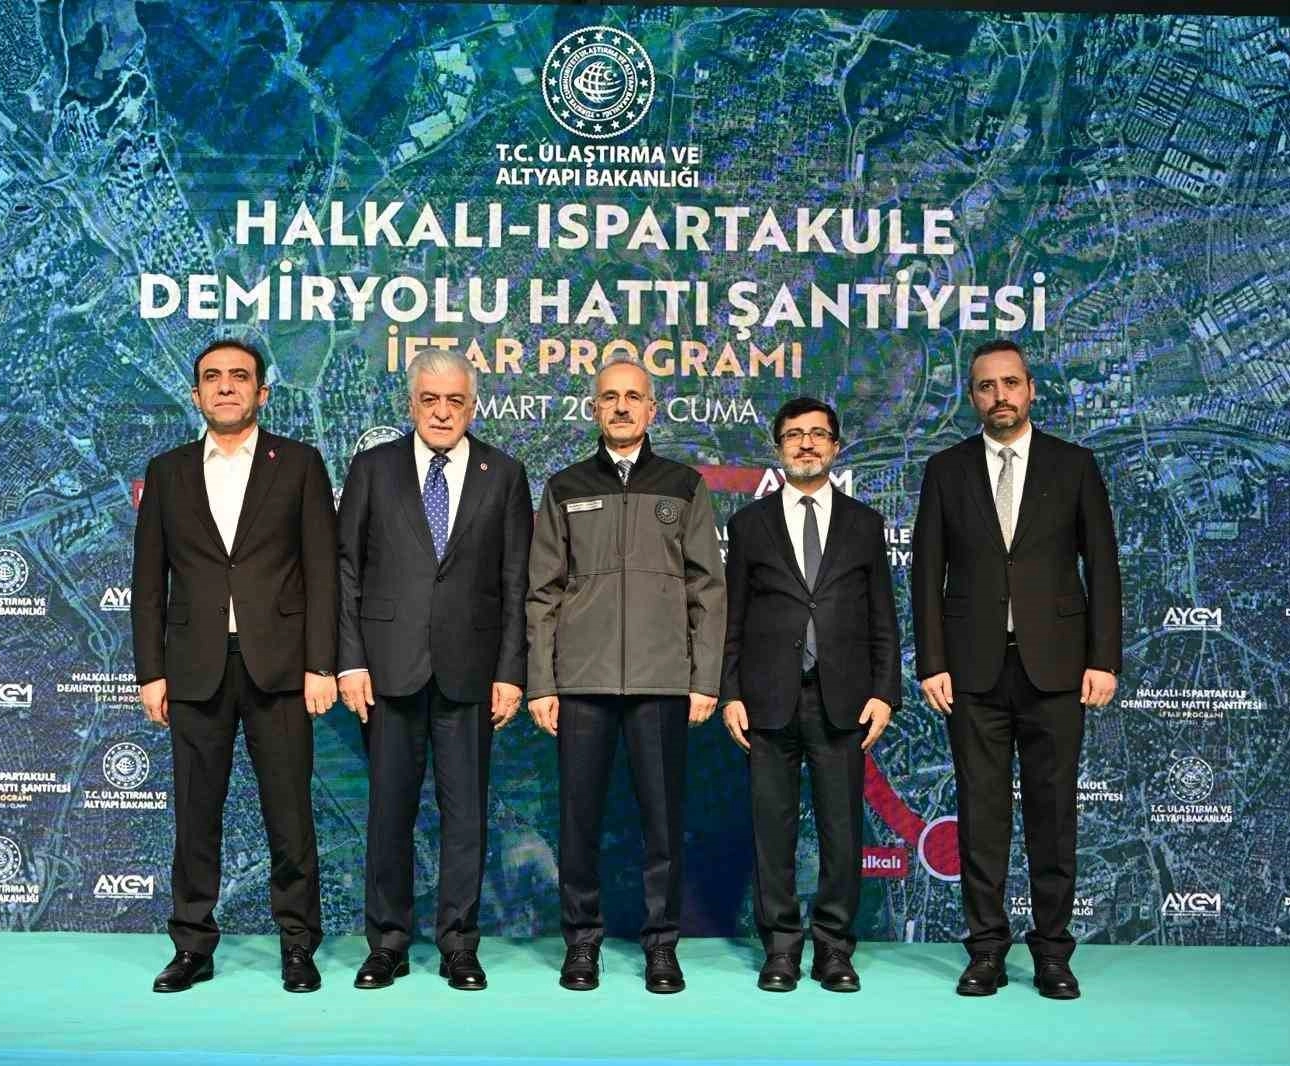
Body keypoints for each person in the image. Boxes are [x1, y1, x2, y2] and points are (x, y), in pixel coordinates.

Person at [910, 339, 1121, 1000]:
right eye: (985, 386)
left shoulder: (1074, 465)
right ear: (971, 397)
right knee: (981, 816)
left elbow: (1104, 568)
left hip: (1057, 669)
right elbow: (926, 574)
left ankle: (1053, 954)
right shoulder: (945, 470)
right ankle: (986, 952)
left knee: (1053, 816)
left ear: (1030, 389)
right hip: (971, 671)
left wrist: (1103, 659)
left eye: (1009, 383)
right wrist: (932, 662)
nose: (998, 396)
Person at [131, 338, 339, 994]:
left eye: (240, 377)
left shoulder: (299, 464)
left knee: (290, 817)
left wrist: (322, 664)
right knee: (196, 818)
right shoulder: (167, 472)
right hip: (194, 669)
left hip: (281, 668)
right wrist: (150, 672)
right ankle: (192, 946)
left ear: (262, 393)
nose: (226, 386)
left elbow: (323, 573)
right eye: (213, 378)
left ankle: (298, 946)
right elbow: (147, 583)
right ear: (196, 394)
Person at [526, 357, 726, 994]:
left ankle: (661, 946)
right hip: (580, 683)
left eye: (632, 397)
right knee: (579, 820)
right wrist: (541, 682)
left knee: (662, 824)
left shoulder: (684, 486)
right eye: (609, 397)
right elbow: (542, 593)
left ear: (651, 409)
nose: (620, 407)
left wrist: (705, 679)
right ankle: (581, 944)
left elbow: (708, 589)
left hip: (662, 681)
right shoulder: (564, 486)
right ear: (594, 408)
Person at [336, 348, 532, 992]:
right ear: (411, 404)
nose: (442, 412)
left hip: (470, 673)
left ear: (472, 407)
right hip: (386, 671)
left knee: (466, 816)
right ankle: (387, 944)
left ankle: (459, 945)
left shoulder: (505, 474)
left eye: (455, 401)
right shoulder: (373, 468)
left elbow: (516, 582)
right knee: (388, 814)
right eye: (430, 400)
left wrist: (511, 672)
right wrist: (350, 661)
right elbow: (346, 571)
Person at [720, 397, 899, 993]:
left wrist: (884, 693)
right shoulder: (749, 524)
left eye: (818, 434)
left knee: (841, 833)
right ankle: (780, 949)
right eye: (794, 434)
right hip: (767, 699)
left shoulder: (864, 524)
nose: (806, 444)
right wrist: (729, 692)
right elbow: (732, 619)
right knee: (772, 832)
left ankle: (834, 950)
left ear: (836, 447)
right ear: (778, 448)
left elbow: (883, 618)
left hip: (842, 700)